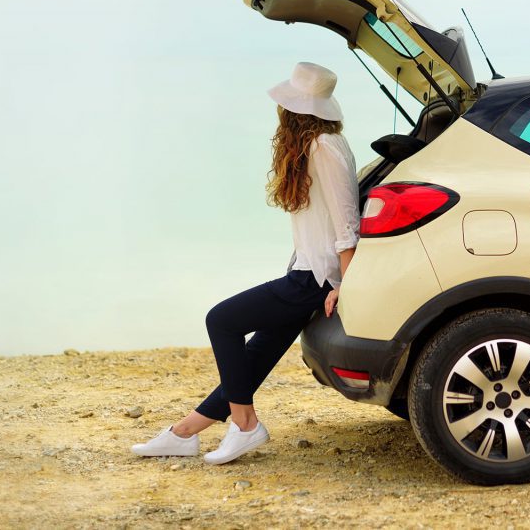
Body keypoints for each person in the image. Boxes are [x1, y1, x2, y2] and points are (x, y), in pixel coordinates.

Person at [132, 62, 360, 465]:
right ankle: (185, 434)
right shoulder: (314, 145)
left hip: (317, 280)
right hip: (306, 272)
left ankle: (245, 425)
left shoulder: (324, 147)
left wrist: (348, 282)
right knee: (253, 356)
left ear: (293, 109)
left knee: (221, 320)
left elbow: (346, 223)